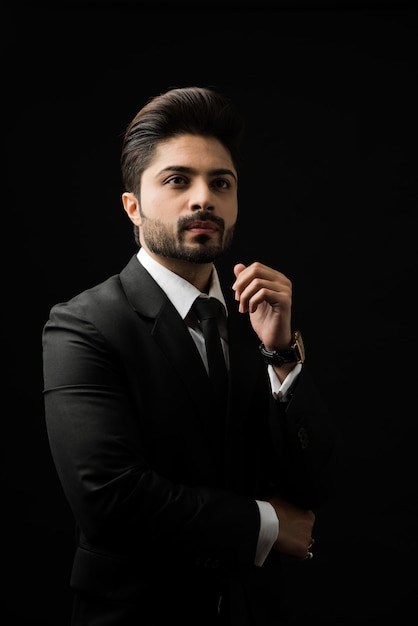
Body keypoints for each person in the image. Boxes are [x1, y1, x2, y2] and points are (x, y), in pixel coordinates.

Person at [42, 85, 339, 626]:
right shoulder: (82, 325)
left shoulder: (258, 320)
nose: (203, 198)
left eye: (220, 183)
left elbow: (313, 488)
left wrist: (281, 355)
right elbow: (109, 499)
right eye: (177, 180)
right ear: (133, 206)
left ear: (236, 203)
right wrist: (264, 526)